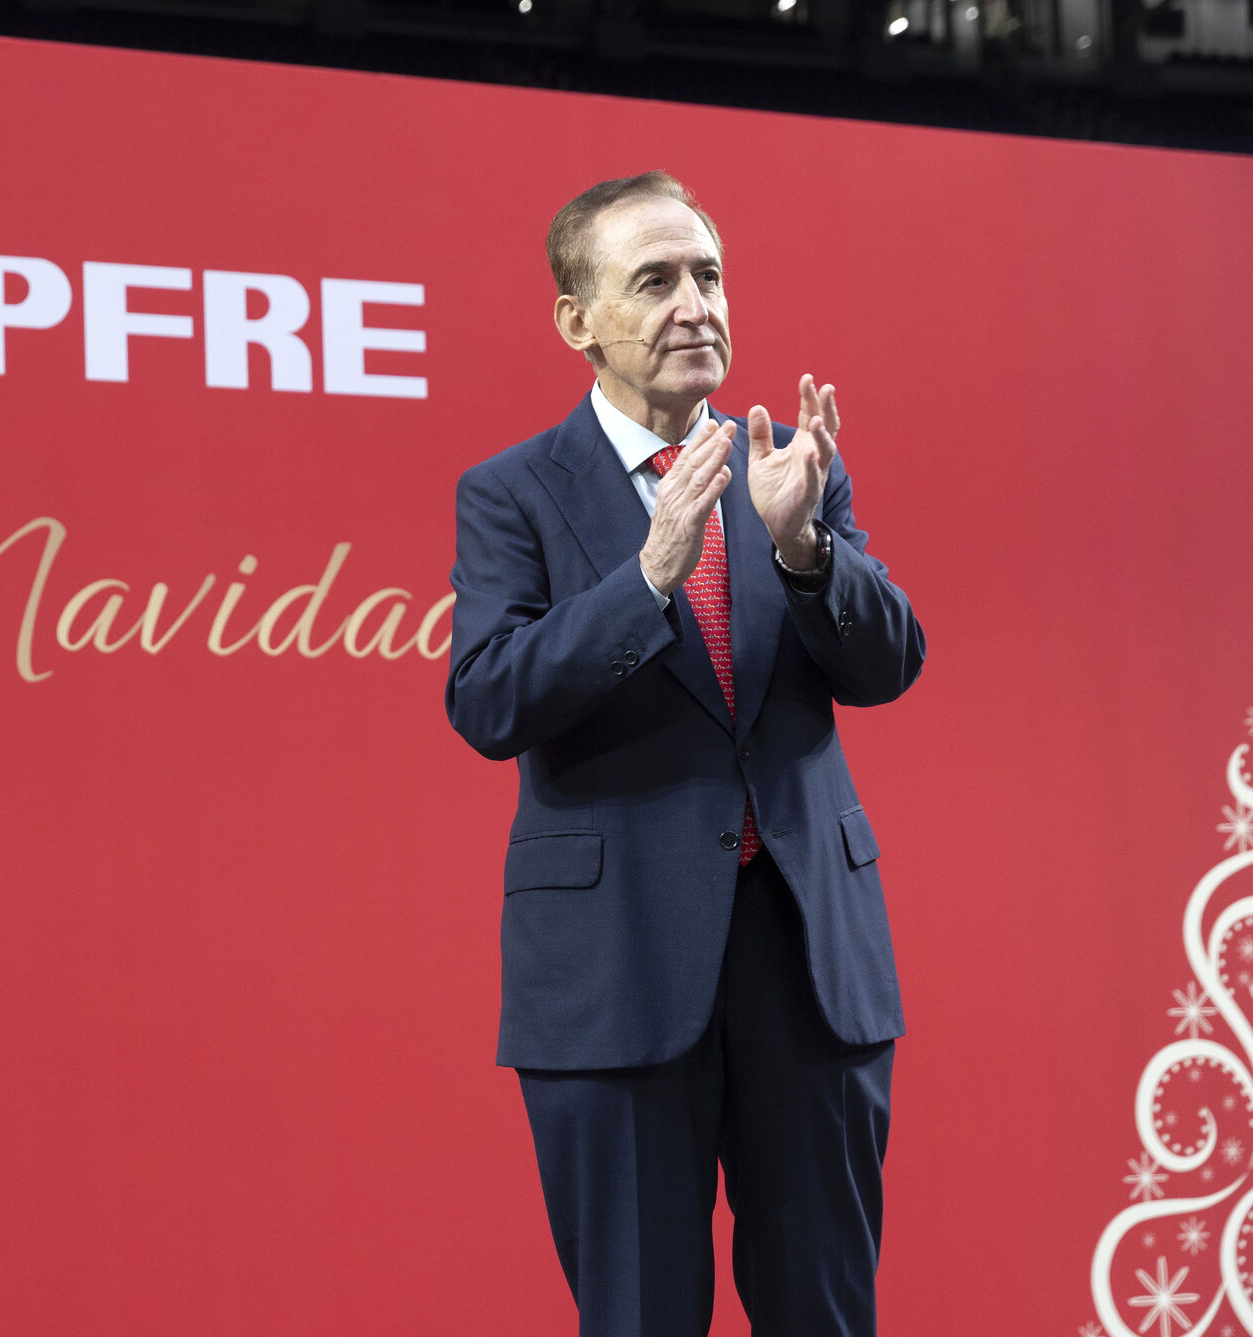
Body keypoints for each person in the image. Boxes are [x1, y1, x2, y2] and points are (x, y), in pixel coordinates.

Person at [443, 171, 926, 1336]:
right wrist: (648, 572)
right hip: (614, 973)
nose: (693, 305)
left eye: (706, 275)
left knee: (824, 1311)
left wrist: (805, 548)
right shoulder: (511, 492)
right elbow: (487, 698)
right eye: (654, 280)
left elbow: (887, 664)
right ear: (577, 320)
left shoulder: (786, 465)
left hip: (804, 959)